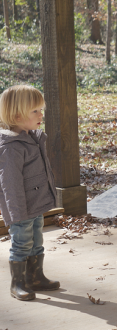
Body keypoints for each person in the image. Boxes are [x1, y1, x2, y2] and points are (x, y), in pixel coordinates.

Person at [0, 85, 60, 301]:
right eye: (35, 111)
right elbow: (10, 185)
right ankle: (17, 283)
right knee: (21, 242)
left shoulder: (32, 138)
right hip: (21, 208)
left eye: (41, 109)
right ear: (17, 115)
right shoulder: (11, 148)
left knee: (36, 239)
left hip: (35, 204)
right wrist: (17, 213)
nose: (41, 115)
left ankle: (36, 277)